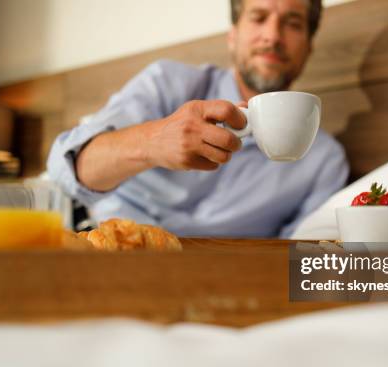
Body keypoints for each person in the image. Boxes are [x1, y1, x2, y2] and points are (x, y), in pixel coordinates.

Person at [47, 0, 349, 237]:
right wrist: (153, 140)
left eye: (293, 23)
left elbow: (303, 264)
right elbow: (64, 170)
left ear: (309, 47)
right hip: (105, 242)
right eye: (258, 18)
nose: (272, 36)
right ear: (232, 36)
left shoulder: (323, 161)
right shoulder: (167, 83)